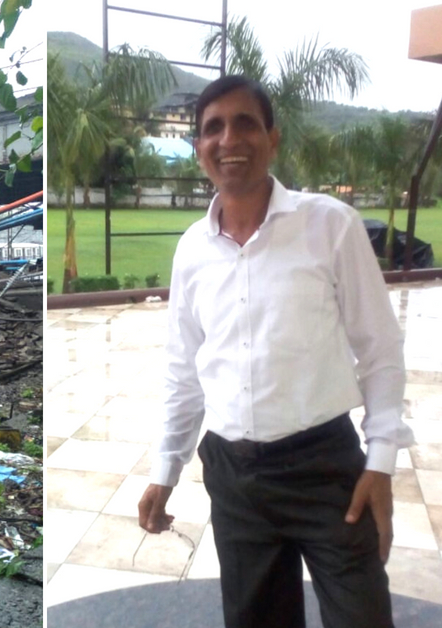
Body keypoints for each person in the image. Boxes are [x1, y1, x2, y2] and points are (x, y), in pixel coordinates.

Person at [136, 75, 415, 628]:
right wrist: (165, 468)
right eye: (212, 128)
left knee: (362, 618)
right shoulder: (192, 250)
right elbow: (183, 370)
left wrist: (380, 462)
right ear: (198, 149)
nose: (228, 139)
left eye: (245, 123)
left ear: (273, 138)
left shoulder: (329, 225)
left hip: (326, 469)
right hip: (235, 479)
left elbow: (380, 348)